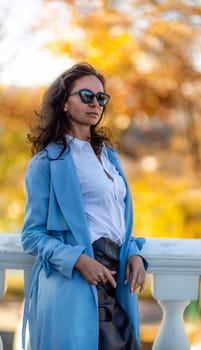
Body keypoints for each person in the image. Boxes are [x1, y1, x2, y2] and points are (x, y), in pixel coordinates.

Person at [21, 62, 147, 350]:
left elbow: (114, 221)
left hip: (117, 278)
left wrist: (135, 253)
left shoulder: (110, 157)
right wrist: (78, 260)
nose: (96, 104)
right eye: (86, 96)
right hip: (77, 279)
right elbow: (32, 235)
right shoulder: (48, 163)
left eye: (101, 98)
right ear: (64, 103)